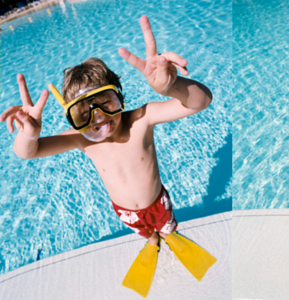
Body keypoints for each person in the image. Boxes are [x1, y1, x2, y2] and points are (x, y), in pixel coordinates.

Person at [0, 15, 216, 298]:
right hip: (125, 212)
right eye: (83, 113)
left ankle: (166, 235)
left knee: (166, 226)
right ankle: (152, 240)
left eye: (105, 103)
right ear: (71, 117)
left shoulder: (141, 119)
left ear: (120, 99)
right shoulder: (80, 139)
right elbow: (29, 152)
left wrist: (170, 87)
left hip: (158, 202)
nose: (98, 118)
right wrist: (28, 134)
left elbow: (200, 102)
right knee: (145, 233)